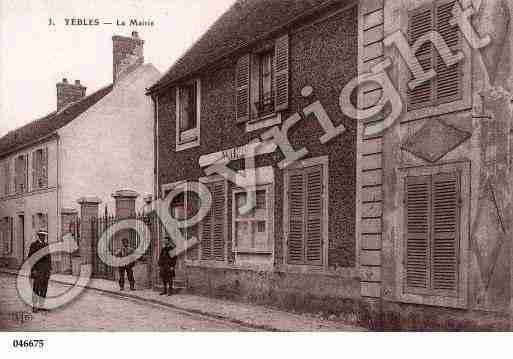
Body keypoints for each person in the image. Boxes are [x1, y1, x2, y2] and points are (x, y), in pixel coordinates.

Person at [28, 230, 52, 313]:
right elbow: (31, 258)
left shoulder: (46, 245)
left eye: (44, 236)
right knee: (36, 288)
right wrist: (33, 270)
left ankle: (41, 305)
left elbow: (49, 258)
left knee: (44, 288)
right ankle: (34, 306)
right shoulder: (34, 245)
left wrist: (49, 270)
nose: (43, 237)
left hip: (45, 271)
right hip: (37, 270)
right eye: (41, 235)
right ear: (39, 236)